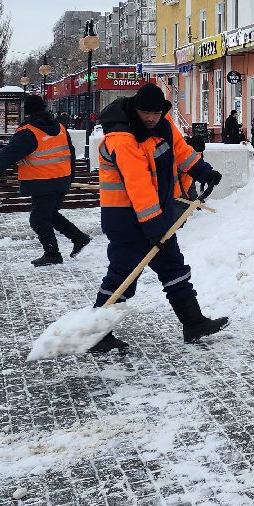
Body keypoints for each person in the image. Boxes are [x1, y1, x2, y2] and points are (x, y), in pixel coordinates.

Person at [88, 82, 226, 353]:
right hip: (125, 218)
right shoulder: (121, 138)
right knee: (123, 276)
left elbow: (182, 152)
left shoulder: (163, 125)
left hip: (155, 215)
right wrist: (153, 226)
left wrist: (203, 171)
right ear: (135, 109)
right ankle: (96, 333)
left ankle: (193, 322)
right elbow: (139, 186)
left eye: (156, 113)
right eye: (145, 113)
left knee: (173, 267)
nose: (151, 118)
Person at [0, 94, 91, 266]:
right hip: (62, 180)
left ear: (26, 110)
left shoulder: (28, 132)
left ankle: (52, 253)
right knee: (49, 215)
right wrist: (69, 177)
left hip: (43, 182)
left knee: (37, 219)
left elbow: (8, 155)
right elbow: (71, 153)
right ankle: (78, 237)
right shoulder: (59, 127)